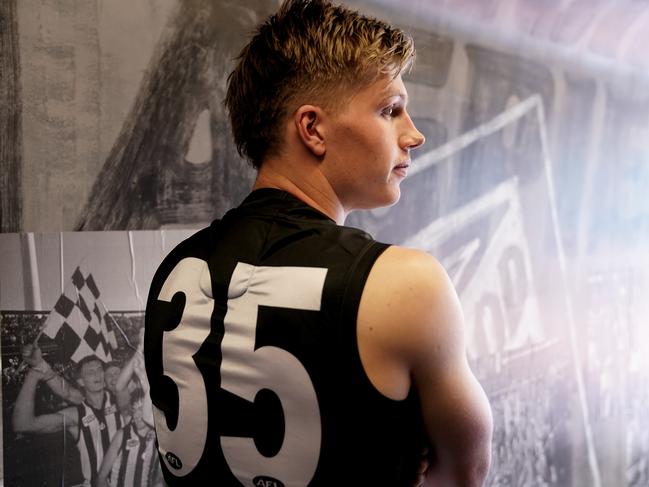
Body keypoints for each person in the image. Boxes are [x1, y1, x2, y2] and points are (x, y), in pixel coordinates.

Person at [144, 0, 493, 486]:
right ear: (312, 128)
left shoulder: (174, 270)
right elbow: (463, 475)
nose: (413, 135)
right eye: (390, 109)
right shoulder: (404, 283)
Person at [13, 349, 125, 487]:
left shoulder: (120, 399)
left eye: (100, 369)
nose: (97, 374)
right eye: (90, 372)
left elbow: (67, 392)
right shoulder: (76, 415)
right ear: (81, 381)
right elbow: (23, 424)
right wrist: (34, 373)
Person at [97, 388, 162, 487]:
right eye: (134, 409)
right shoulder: (122, 435)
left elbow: (158, 479)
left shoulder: (159, 438)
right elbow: (101, 478)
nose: (137, 415)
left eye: (141, 409)